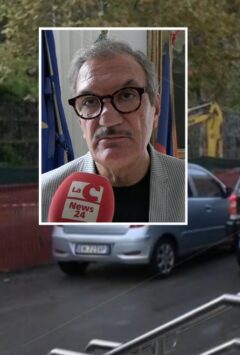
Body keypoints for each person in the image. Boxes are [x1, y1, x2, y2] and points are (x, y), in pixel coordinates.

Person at [41, 39, 185, 222]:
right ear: (79, 120)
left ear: (155, 110)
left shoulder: (190, 187)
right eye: (90, 101)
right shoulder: (44, 194)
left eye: (126, 95)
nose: (108, 120)